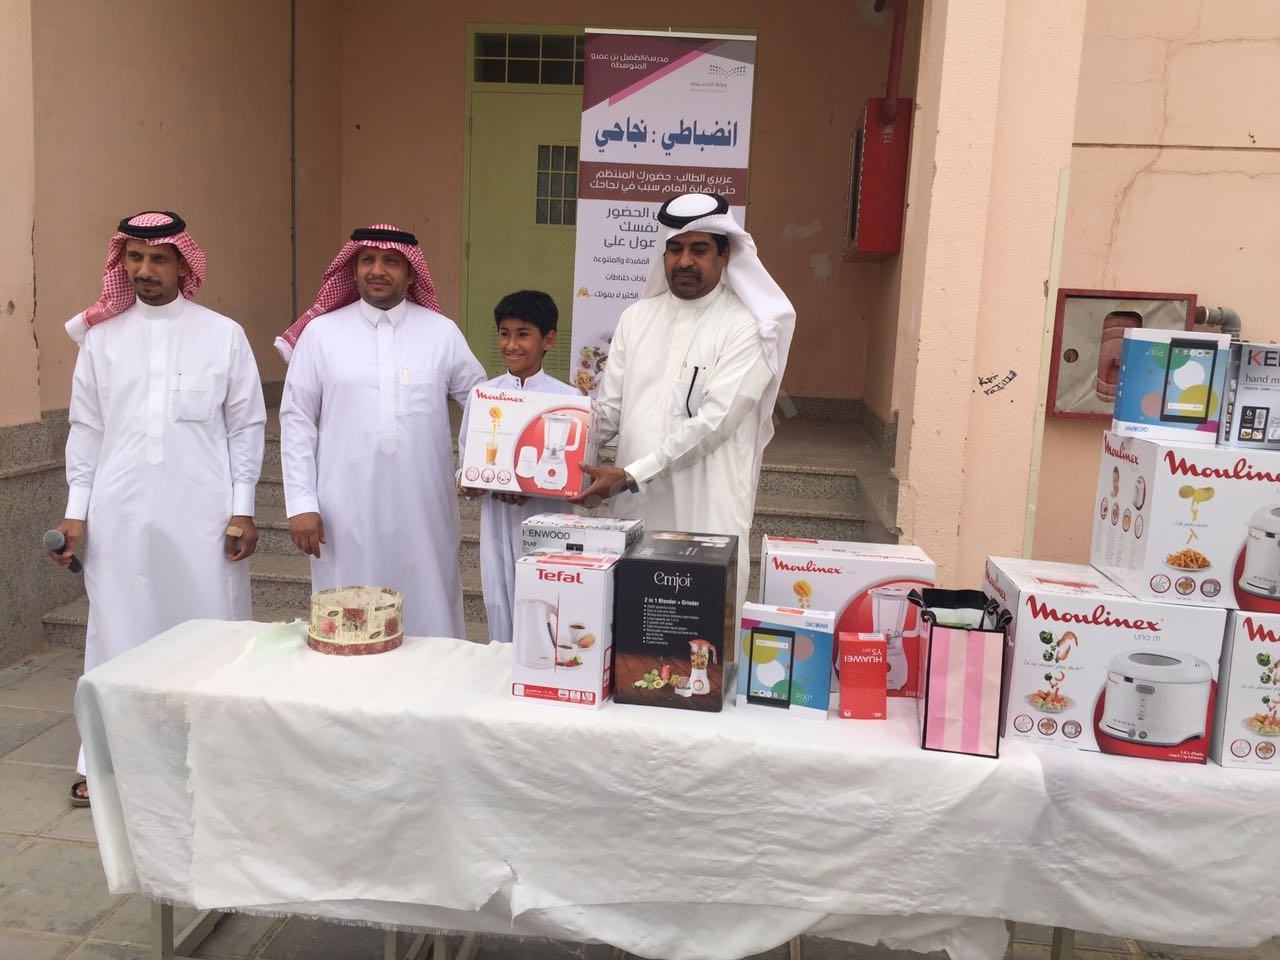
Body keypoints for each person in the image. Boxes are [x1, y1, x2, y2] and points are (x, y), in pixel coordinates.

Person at [47, 211, 266, 808]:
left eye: (158, 258)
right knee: (116, 633)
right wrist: (76, 510)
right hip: (117, 513)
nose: (144, 270)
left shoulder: (222, 335)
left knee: (210, 634)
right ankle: (105, 762)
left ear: (183, 264)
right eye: (135, 257)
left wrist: (243, 509)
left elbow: (246, 426)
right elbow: (86, 429)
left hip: (203, 515)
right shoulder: (101, 339)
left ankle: (216, 759)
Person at [570, 192, 795, 614]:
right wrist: (551, 455)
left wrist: (631, 474)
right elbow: (608, 413)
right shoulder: (636, 318)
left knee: (702, 634)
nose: (684, 261)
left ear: (725, 254)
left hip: (706, 509)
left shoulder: (748, 327)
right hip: (636, 508)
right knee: (633, 628)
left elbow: (715, 423)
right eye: (674, 249)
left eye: (699, 249)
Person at [278, 225, 485, 639]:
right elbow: (296, 419)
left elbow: (482, 405)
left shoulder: (441, 332)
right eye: (367, 260)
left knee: (429, 609)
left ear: (411, 274)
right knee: (349, 614)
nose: (377, 270)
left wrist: (477, 469)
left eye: (391, 261)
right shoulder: (321, 334)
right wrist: (301, 502)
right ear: (352, 269)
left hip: (423, 506)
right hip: (342, 508)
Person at [457, 291, 578, 644]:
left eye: (523, 334)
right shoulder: (483, 395)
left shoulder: (569, 400)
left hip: (548, 521)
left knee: (547, 604)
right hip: (496, 521)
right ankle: (502, 672)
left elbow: (577, 474)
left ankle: (545, 669)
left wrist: (532, 485)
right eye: (504, 333)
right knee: (499, 602)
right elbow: (466, 462)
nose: (511, 344)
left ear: (548, 340)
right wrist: (470, 482)